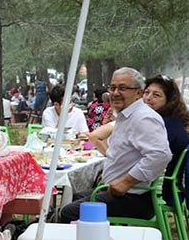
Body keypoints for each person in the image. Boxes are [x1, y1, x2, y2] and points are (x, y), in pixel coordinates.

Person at [59, 67, 172, 223]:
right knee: (71, 197)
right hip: (115, 191)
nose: (115, 93)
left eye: (123, 88)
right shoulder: (125, 116)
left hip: (134, 198)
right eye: (112, 88)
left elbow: (160, 155)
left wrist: (126, 182)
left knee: (68, 212)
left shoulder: (143, 118)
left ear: (139, 93)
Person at [89, 74, 189, 204]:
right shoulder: (169, 121)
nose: (148, 98)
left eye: (156, 95)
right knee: (82, 197)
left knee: (74, 209)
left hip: (153, 194)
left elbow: (158, 156)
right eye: (146, 92)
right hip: (154, 190)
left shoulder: (152, 122)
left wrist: (123, 181)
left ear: (169, 101)